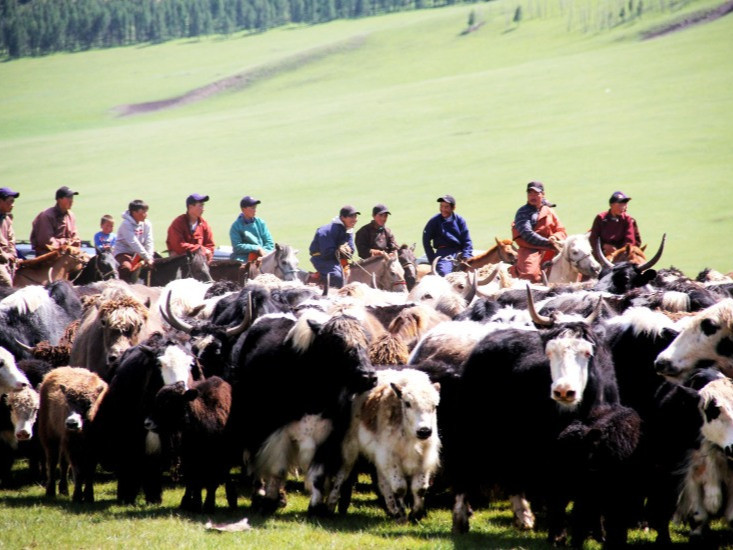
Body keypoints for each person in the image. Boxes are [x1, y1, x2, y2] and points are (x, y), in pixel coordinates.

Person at [509, 181, 567, 283]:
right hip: (530, 248)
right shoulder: (522, 212)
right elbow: (527, 234)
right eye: (530, 193)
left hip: (552, 247)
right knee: (530, 276)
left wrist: (555, 237)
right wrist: (548, 243)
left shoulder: (549, 211)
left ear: (543, 194)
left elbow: (561, 230)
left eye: (536, 193)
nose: (532, 196)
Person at [309, 205, 360, 288]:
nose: (355, 219)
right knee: (338, 278)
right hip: (322, 259)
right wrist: (339, 251)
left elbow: (351, 251)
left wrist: (348, 251)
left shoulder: (349, 230)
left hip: (338, 259)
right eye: (351, 216)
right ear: (343, 217)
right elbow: (326, 253)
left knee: (353, 273)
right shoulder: (326, 231)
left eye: (355, 216)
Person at [422, 195, 473, 277]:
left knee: (476, 271)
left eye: (446, 207)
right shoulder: (434, 221)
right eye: (441, 206)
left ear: (453, 208)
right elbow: (426, 241)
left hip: (460, 252)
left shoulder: (460, 220)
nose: (443, 209)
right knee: (444, 274)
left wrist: (466, 255)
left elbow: (467, 241)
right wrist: (433, 259)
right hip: (444, 254)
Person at [29, 186, 81, 256]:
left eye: (72, 198)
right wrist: (66, 243)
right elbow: (47, 242)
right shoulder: (46, 216)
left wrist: (67, 244)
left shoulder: (71, 216)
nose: (71, 201)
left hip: (67, 256)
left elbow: (76, 240)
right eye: (68, 198)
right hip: (49, 257)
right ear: (59, 200)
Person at [589, 190, 642, 257]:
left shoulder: (628, 219)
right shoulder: (600, 218)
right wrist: (603, 245)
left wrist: (616, 252)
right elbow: (593, 238)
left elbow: (629, 242)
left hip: (621, 255)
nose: (623, 206)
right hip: (602, 254)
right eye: (620, 204)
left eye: (625, 203)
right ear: (611, 205)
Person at [114, 199, 155, 283]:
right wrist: (147, 257)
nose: (145, 215)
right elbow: (134, 243)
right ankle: (125, 288)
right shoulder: (126, 224)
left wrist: (150, 256)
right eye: (142, 212)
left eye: (146, 212)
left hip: (140, 254)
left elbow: (149, 241)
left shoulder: (147, 224)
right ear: (134, 213)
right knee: (126, 268)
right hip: (124, 253)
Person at [166, 193, 215, 262]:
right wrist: (201, 249)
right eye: (200, 206)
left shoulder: (204, 225)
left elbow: (210, 246)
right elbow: (178, 246)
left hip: (200, 263)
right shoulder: (178, 223)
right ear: (190, 207)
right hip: (180, 263)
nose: (203, 209)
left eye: (203, 206)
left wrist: (207, 256)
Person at [230, 195, 275, 263]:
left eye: (255, 207)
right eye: (252, 208)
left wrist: (265, 253)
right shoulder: (235, 226)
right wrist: (256, 248)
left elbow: (269, 242)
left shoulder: (260, 223)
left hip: (264, 255)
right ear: (243, 209)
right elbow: (237, 246)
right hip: (244, 258)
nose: (255, 210)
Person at [0, 186, 20, 287]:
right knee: (7, 282)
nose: (13, 205)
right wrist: (6, 256)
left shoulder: (7, 218)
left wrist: (13, 254)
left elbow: (11, 239)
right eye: (10, 201)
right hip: (1, 259)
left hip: (7, 259)